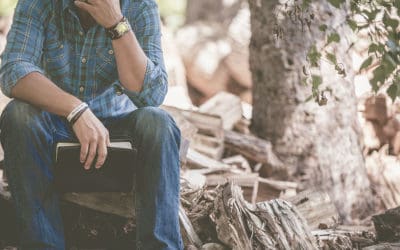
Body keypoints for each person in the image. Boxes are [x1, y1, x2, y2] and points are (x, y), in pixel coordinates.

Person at [0, 0, 183, 249]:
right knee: (18, 114)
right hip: (55, 129)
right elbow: (13, 69)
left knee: (158, 123)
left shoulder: (140, 6)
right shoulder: (38, 4)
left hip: (117, 137)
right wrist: (75, 110)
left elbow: (151, 95)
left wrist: (116, 25)